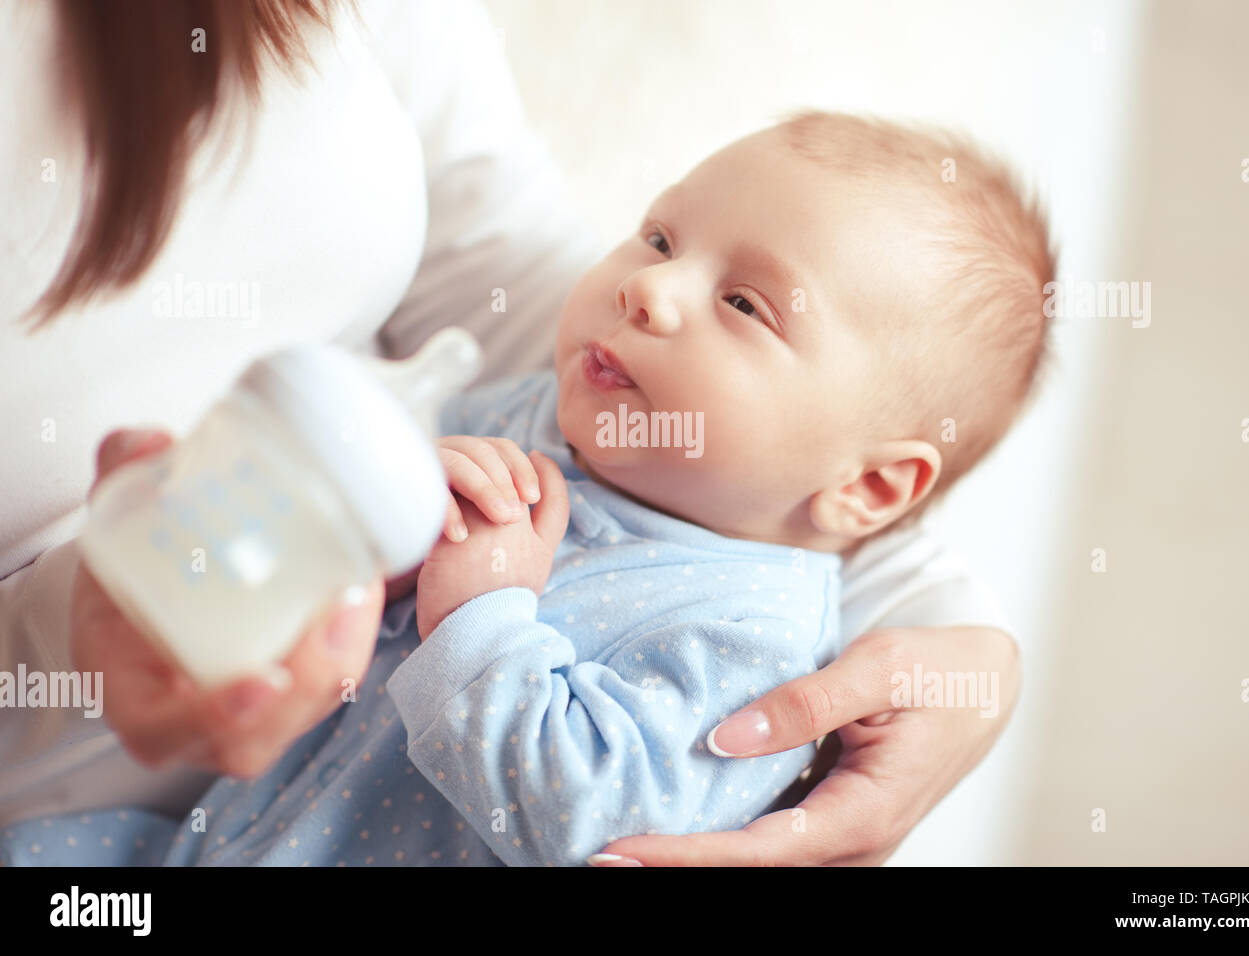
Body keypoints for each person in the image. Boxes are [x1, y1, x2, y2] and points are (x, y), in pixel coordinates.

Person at [0, 0, 1021, 866]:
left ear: (874, 490)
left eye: (746, 304)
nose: (647, 285)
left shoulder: (753, 648)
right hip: (201, 825)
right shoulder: (539, 414)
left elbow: (592, 814)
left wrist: (480, 611)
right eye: (660, 235)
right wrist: (395, 514)